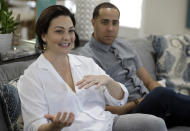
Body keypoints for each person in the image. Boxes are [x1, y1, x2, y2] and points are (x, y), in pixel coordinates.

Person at [17, 5, 167, 131]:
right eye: (59, 31)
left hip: (108, 124)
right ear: (44, 35)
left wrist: (108, 81)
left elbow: (119, 99)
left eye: (70, 31)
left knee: (156, 124)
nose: (67, 37)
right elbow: (33, 126)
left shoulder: (85, 63)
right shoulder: (32, 78)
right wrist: (54, 127)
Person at [78, 2, 190, 128]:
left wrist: (160, 92)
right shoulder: (86, 58)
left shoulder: (125, 45)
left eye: (115, 23)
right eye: (105, 22)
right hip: (128, 114)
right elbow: (101, 108)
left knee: (168, 100)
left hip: (152, 104)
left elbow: (148, 81)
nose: (110, 28)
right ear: (93, 22)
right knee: (161, 95)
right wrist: (142, 101)